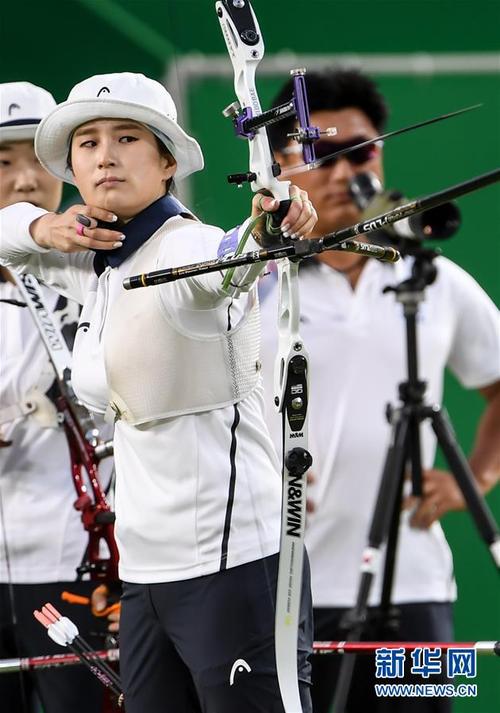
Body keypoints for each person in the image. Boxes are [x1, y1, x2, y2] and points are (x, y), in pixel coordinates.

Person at [0, 71, 318, 713]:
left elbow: (234, 258)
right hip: (145, 569)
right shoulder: (94, 261)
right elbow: (7, 228)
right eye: (87, 143)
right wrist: (45, 230)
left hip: (232, 559)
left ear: (167, 160)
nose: (105, 155)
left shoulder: (191, 248)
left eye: (125, 138)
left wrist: (269, 225)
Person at [259, 68, 500, 713]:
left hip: (419, 589)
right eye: (319, 154)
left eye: (359, 150)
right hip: (280, 593)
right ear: (279, 166)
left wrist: (476, 477)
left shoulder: (434, 276)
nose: (343, 173)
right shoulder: (248, 288)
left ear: (382, 152)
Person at [0, 82, 116, 713]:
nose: (24, 182)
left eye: (39, 163)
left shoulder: (97, 269)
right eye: (2, 163)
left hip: (78, 560)